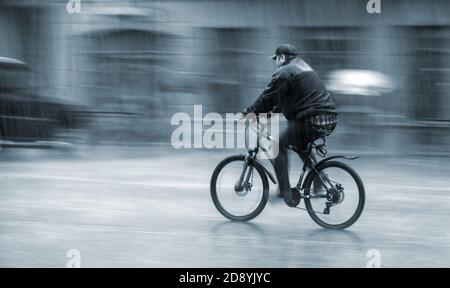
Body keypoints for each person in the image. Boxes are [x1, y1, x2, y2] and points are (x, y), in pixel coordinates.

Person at [244, 44, 338, 207]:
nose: (275, 63)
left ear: (281, 57)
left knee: (278, 146)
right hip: (326, 118)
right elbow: (287, 100)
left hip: (312, 119)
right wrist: (268, 112)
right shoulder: (303, 67)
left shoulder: (284, 71)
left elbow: (269, 96)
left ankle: (284, 190)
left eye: (276, 59)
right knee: (300, 145)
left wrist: (251, 111)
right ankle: (319, 179)